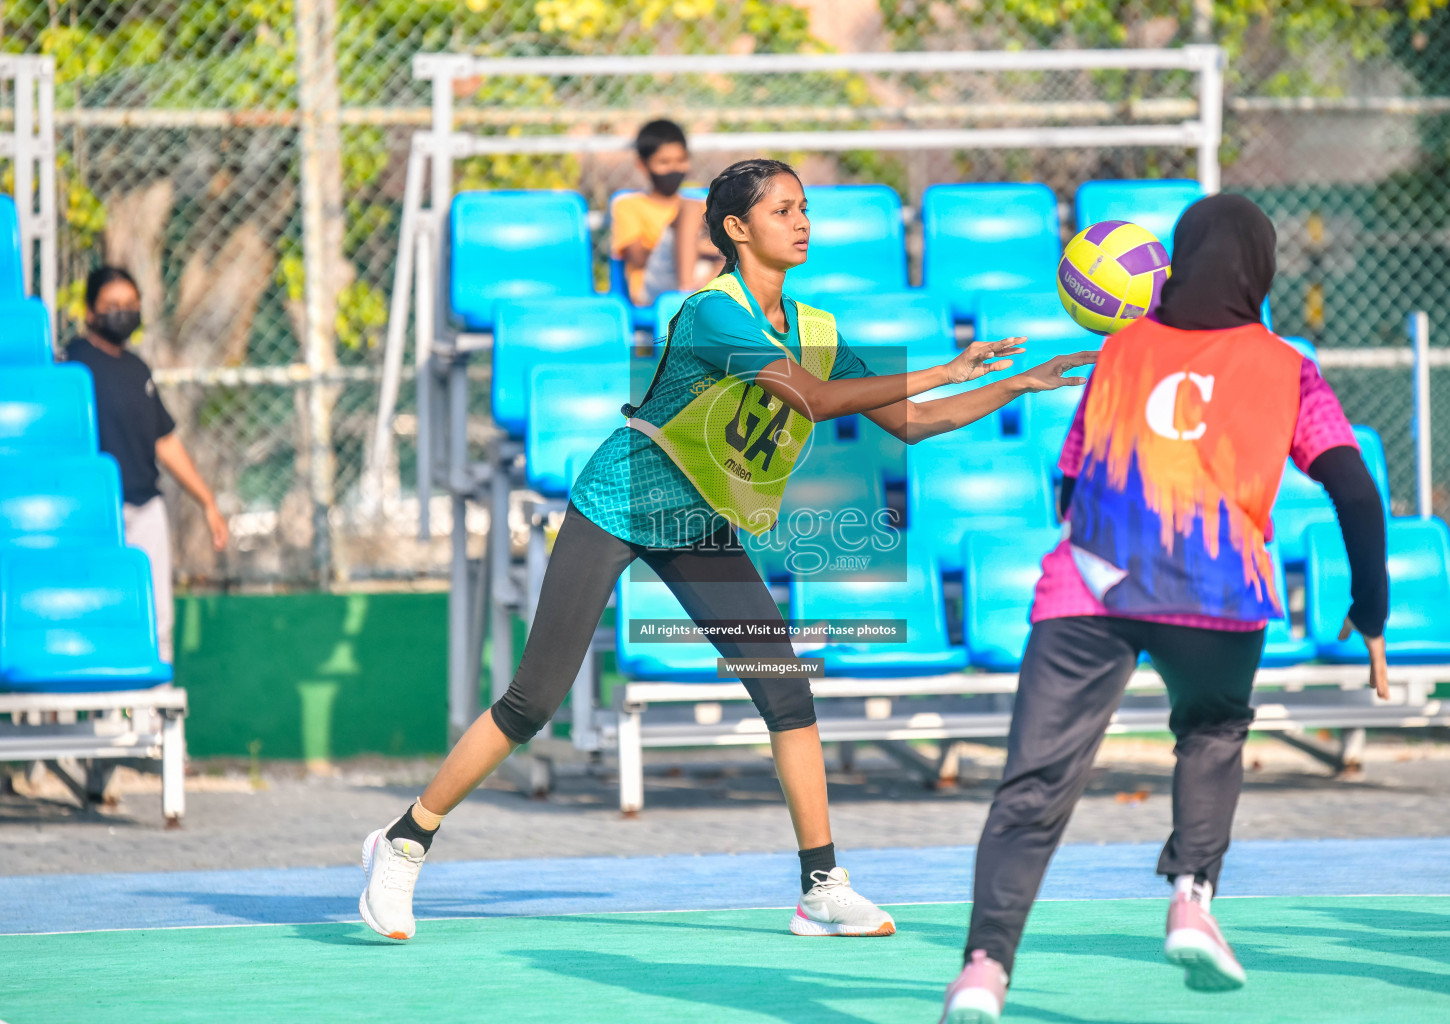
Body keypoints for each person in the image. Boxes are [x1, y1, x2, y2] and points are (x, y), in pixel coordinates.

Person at [359, 158, 1097, 942]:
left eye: (806, 207)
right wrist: (940, 365)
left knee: (786, 691)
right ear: (738, 229)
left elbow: (911, 422)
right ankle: (404, 841)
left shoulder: (816, 329)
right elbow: (811, 400)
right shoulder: (713, 314)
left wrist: (1012, 388)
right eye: (783, 210)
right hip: (621, 502)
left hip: (701, 521)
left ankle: (821, 886)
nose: (803, 221)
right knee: (533, 702)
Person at [937, 194, 1391, 1023]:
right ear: (1261, 268)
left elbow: (1072, 479)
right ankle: (1191, 899)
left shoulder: (1122, 350)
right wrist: (1371, 615)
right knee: (1212, 734)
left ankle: (983, 969)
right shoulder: (1287, 366)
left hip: (1089, 590)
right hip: (1217, 593)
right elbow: (1356, 494)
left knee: (1034, 784)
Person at [65, 266, 230, 663]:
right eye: (112, 305)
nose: (123, 312)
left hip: (145, 507)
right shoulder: (70, 364)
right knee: (96, 611)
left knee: (157, 616)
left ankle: (155, 713)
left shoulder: (138, 369)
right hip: (92, 513)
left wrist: (207, 502)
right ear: (89, 311)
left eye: (130, 305)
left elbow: (165, 440)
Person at [610, 118, 723, 306]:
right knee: (691, 208)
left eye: (681, 160)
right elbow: (637, 259)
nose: (674, 169)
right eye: (664, 162)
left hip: (702, 275)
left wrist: (697, 249)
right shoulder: (629, 205)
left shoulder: (703, 204)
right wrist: (689, 246)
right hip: (653, 287)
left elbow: (721, 248)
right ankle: (686, 295)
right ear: (643, 165)